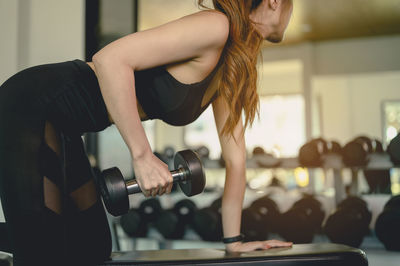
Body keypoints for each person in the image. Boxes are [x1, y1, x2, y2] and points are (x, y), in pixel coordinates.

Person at [0, 0, 294, 265]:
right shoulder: (217, 26)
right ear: (275, 2)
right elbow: (110, 60)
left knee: (91, 248)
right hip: (30, 104)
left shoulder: (230, 67)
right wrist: (142, 156)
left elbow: (236, 162)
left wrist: (234, 243)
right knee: (42, 252)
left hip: (64, 126)